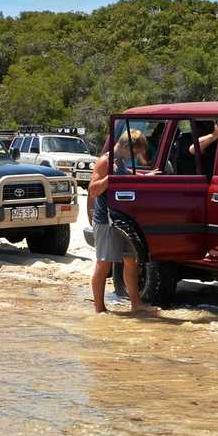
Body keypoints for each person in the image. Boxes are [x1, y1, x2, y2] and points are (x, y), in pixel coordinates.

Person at [89, 129, 152, 314]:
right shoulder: (105, 161)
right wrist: (110, 178)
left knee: (130, 261)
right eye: (136, 152)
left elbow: (124, 177)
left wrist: (144, 177)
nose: (137, 156)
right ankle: (99, 309)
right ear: (125, 146)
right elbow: (93, 190)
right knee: (104, 264)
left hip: (121, 220)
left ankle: (136, 303)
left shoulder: (121, 161)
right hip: (105, 220)